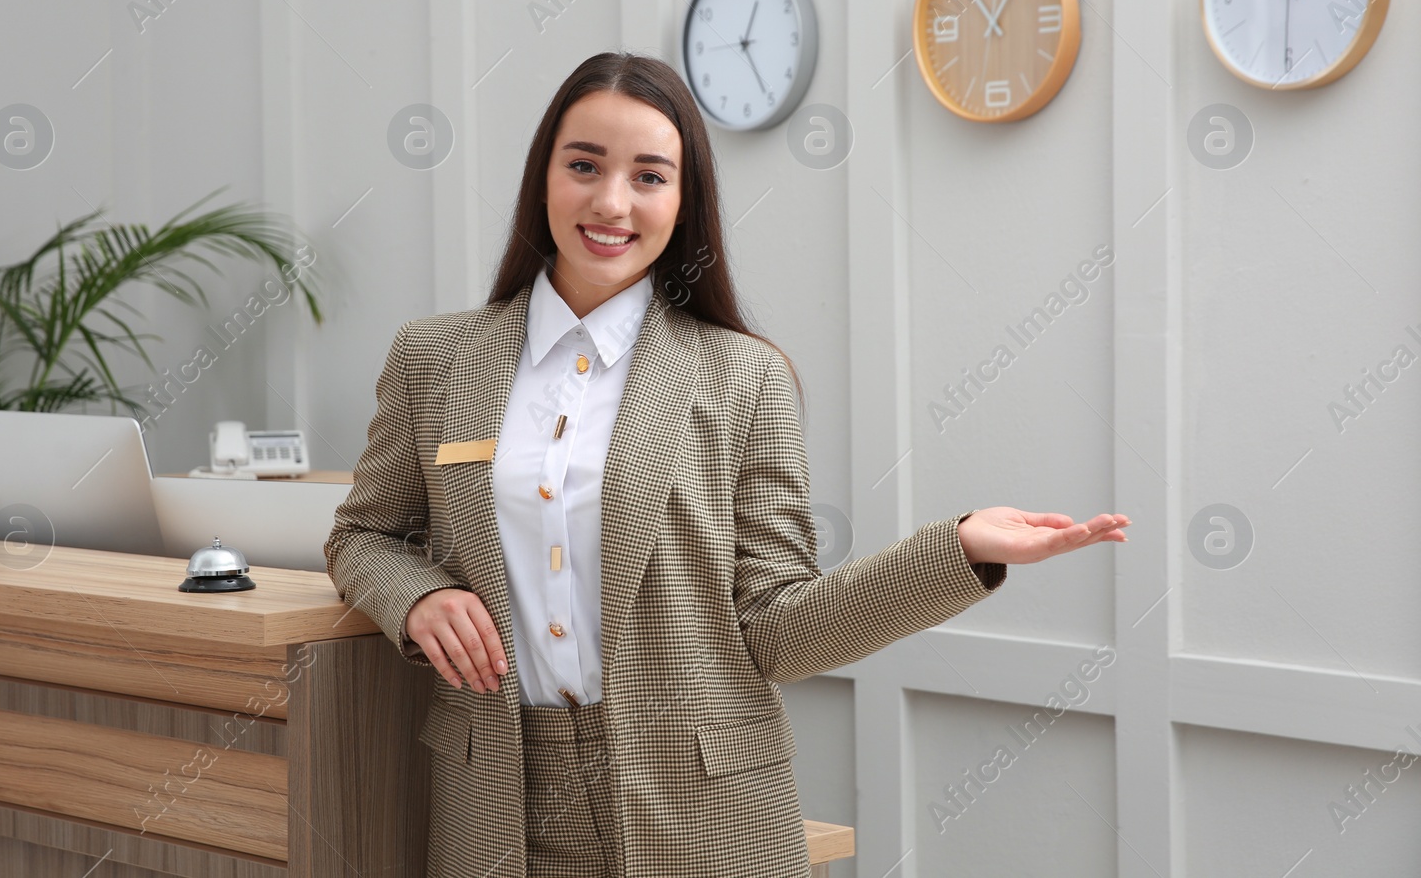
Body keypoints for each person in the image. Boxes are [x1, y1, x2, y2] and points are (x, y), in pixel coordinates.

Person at [323, 51, 1130, 878]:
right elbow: (363, 535)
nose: (611, 202)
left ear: (684, 201)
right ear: (543, 179)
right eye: (584, 166)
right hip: (492, 798)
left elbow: (776, 629)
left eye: (649, 176)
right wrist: (419, 594)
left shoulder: (745, 376)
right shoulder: (435, 357)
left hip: (702, 813)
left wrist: (957, 550)